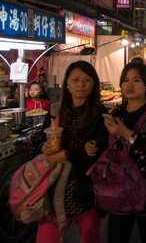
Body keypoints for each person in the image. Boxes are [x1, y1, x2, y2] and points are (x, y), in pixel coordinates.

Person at [37, 61, 108, 243]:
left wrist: (65, 155)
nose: (81, 84)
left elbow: (97, 154)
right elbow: (39, 142)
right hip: (52, 189)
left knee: (90, 236)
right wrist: (43, 148)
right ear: (67, 83)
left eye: (87, 80)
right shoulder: (55, 112)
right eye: (75, 79)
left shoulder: (100, 115)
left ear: (94, 84)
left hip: (85, 191)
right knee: (46, 238)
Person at [103, 62, 146, 243]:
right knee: (116, 236)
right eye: (125, 80)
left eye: (136, 80)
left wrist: (125, 133)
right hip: (120, 184)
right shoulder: (116, 113)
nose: (129, 85)